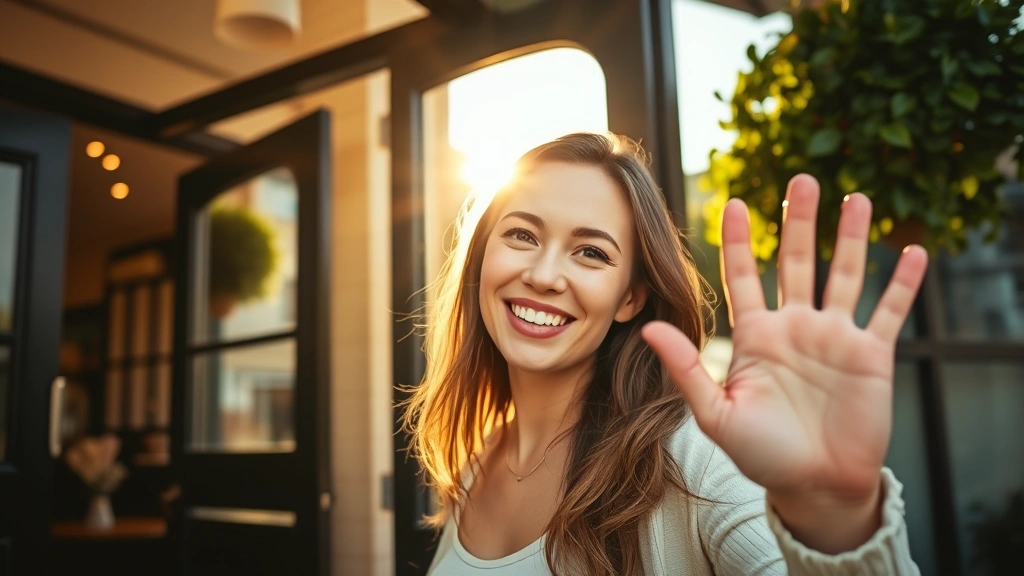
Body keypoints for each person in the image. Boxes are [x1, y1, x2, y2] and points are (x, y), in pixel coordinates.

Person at [404, 132, 925, 575]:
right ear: (483, 256)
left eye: (591, 252)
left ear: (630, 297)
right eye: (521, 234)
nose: (542, 275)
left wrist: (833, 516)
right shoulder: (472, 465)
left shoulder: (693, 461)